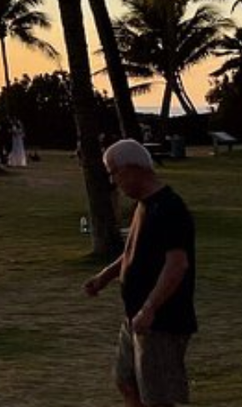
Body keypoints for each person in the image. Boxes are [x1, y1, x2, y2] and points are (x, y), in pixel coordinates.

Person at [84, 140, 197, 407]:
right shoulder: (143, 206)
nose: (113, 181)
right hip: (136, 317)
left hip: (161, 322)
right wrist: (104, 277)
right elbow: (135, 252)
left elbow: (177, 264)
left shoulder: (169, 208)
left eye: (114, 172)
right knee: (126, 380)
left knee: (157, 398)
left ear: (133, 168)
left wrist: (149, 308)